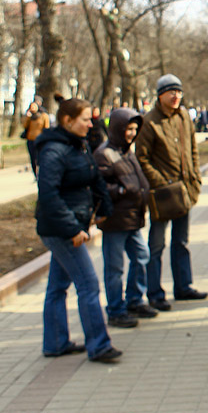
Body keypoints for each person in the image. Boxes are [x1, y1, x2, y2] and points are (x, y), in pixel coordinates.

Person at [35, 98, 121, 363]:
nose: (90, 123)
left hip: (72, 224)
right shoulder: (53, 151)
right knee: (88, 284)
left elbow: (93, 177)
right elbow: (48, 194)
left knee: (58, 285)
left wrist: (104, 206)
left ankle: (56, 343)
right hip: (61, 229)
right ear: (67, 120)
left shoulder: (77, 145)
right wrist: (73, 229)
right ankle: (99, 345)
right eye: (85, 119)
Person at [136, 74, 206, 311]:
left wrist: (195, 176)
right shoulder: (150, 122)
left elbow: (192, 148)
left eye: (179, 92)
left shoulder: (184, 116)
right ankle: (155, 293)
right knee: (156, 245)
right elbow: (141, 158)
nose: (176, 96)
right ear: (160, 95)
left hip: (184, 190)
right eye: (171, 92)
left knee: (181, 242)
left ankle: (183, 286)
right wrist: (161, 182)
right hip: (163, 194)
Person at [94, 108, 158, 328]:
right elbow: (100, 187)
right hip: (115, 220)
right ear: (118, 129)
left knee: (142, 256)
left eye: (134, 129)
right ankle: (115, 309)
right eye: (128, 129)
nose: (132, 133)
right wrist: (121, 191)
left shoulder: (127, 151)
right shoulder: (105, 153)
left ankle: (134, 300)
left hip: (132, 218)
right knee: (115, 268)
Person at [23, 101, 50, 179]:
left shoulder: (44, 116)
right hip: (30, 140)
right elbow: (25, 126)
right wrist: (27, 117)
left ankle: (42, 173)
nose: (32, 109)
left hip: (40, 140)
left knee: (40, 157)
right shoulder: (30, 117)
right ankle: (36, 175)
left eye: (34, 107)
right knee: (33, 158)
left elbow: (46, 128)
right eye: (31, 107)